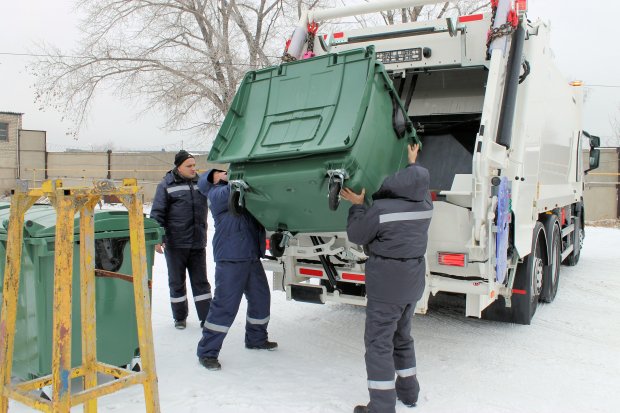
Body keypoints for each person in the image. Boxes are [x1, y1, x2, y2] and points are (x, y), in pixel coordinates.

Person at [340, 143, 432, 413]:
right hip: (412, 283)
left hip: (387, 285)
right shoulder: (425, 204)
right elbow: (415, 181)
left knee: (379, 343)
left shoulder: (382, 209)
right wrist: (413, 162)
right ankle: (409, 394)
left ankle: (381, 406)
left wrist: (357, 206)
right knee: (402, 337)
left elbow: (357, 234)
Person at [196, 168, 277, 371]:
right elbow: (227, 194)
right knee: (225, 306)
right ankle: (207, 352)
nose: (226, 173)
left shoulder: (242, 192)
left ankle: (256, 338)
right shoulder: (215, 193)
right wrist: (234, 181)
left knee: (261, 299)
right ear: (214, 178)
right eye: (221, 172)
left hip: (250, 256)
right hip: (231, 258)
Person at [150, 150, 212, 330]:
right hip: (176, 243)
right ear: (179, 167)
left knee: (201, 282)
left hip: (197, 242)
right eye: (189, 166)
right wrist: (157, 238)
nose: (193, 169)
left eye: (194, 165)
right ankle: (179, 317)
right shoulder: (166, 185)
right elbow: (157, 214)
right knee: (177, 282)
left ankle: (206, 318)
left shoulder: (201, 184)